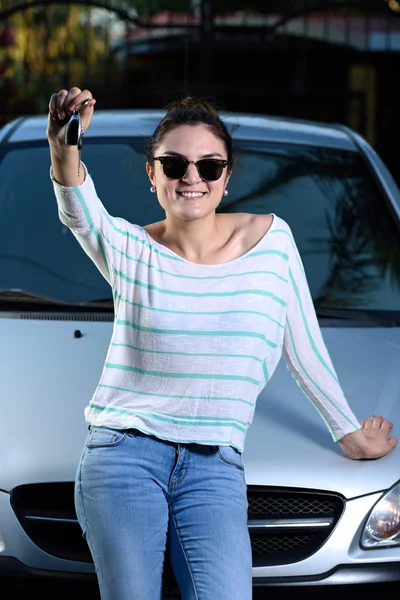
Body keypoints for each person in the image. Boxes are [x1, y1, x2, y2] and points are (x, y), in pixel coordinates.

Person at [47, 87, 397, 600]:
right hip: (123, 455)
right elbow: (80, 212)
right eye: (174, 165)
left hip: (215, 467)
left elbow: (300, 341)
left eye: (209, 167)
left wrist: (347, 431)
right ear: (153, 175)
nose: (192, 178)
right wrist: (63, 145)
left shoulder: (272, 242)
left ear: (227, 177)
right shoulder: (130, 250)